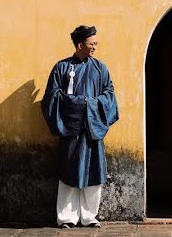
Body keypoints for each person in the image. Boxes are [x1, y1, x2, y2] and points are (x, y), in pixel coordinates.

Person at [41, 25, 119, 228]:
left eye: (96, 43)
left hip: (93, 129)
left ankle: (89, 216)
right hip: (71, 130)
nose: (95, 47)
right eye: (91, 44)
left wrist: (90, 104)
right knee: (68, 172)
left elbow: (109, 95)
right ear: (79, 45)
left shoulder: (101, 68)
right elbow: (52, 97)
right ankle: (66, 218)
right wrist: (75, 105)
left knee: (94, 172)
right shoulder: (62, 68)